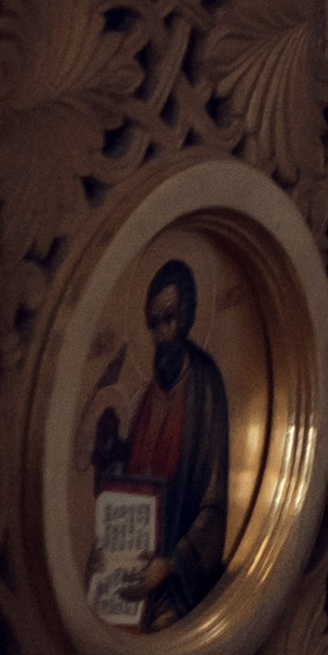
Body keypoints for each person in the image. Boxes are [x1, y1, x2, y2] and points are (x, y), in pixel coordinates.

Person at [91, 256, 231, 629]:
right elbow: (138, 482)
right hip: (134, 569)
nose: (160, 334)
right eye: (153, 324)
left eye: (168, 319)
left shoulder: (205, 389)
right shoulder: (150, 392)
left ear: (187, 317)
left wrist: (170, 565)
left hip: (177, 584)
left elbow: (214, 503)